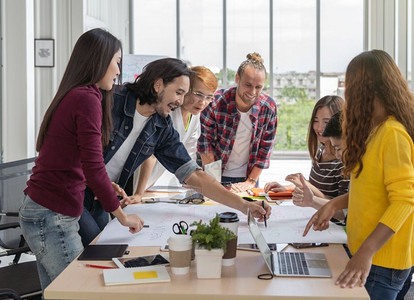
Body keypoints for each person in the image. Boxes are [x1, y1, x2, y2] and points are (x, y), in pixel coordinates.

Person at [79, 58, 270, 247]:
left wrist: (245, 206)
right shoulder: (112, 101)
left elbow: (195, 175)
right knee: (91, 250)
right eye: (179, 93)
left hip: (102, 196)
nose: (180, 101)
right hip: (75, 191)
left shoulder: (161, 126)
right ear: (158, 85)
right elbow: (75, 153)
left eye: (184, 94)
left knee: (100, 247)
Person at [18, 28, 144, 290]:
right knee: (78, 291)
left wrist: (107, 187)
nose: (119, 71)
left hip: (45, 211)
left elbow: (70, 161)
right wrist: (122, 216)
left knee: (56, 293)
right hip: (52, 214)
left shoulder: (78, 94)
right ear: (99, 60)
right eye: (117, 62)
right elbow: (93, 165)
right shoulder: (85, 98)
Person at [303, 49, 414, 300]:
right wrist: (334, 204)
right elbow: (372, 192)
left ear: (365, 89)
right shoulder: (376, 131)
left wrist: (365, 252)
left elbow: (404, 200)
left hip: (383, 260)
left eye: (350, 87)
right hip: (374, 256)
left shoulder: (392, 133)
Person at [130, 66, 218, 200]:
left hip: (165, 185)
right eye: (198, 94)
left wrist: (195, 188)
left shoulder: (194, 117)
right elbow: (150, 156)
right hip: (142, 182)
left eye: (209, 97)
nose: (203, 102)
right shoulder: (167, 112)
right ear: (186, 89)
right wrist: (138, 193)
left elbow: (189, 155)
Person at [197, 53, 278, 193]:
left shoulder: (268, 107)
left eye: (258, 87)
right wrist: (216, 184)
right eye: (248, 85)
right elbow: (206, 146)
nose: (252, 92)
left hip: (249, 178)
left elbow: (265, 150)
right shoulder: (215, 102)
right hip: (215, 174)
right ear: (237, 78)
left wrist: (250, 182)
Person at [264, 96, 349, 211]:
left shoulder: (343, 160)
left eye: (326, 122)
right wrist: (287, 188)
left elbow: (341, 210)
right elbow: (316, 187)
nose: (319, 127)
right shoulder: (320, 151)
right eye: (315, 121)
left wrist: (307, 186)